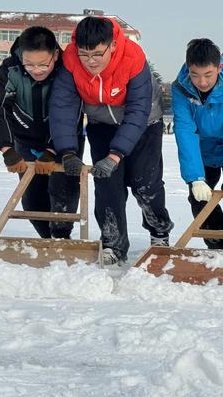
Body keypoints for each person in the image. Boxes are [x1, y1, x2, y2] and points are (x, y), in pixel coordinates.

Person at [49, 16, 173, 265]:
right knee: (107, 186)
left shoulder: (133, 58)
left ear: (112, 46)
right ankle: (113, 244)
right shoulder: (71, 60)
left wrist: (116, 154)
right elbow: (63, 106)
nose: (90, 61)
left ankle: (159, 232)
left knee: (144, 184)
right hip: (101, 124)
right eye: (85, 54)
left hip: (144, 124)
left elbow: (138, 110)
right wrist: (67, 151)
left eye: (97, 54)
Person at [0, 26, 84, 239]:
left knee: (62, 194)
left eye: (43, 64)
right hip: (26, 140)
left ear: (55, 55)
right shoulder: (10, 69)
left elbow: (69, 111)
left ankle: (61, 238)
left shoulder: (65, 70)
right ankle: (46, 239)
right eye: (29, 64)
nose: (36, 70)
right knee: (31, 199)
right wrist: (7, 148)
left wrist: (52, 148)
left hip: (64, 139)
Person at [171, 39, 223, 250]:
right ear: (189, 69)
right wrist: (195, 178)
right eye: (195, 75)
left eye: (208, 75)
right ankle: (216, 244)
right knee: (198, 196)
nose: (202, 82)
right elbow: (185, 131)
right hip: (202, 149)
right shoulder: (180, 87)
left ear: (219, 67)